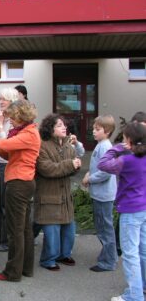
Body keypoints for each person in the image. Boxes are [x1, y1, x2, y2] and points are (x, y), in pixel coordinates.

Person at [0, 100, 41, 282]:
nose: (10, 120)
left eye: (12, 117)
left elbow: (4, 145)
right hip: (24, 181)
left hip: (18, 183)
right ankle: (26, 268)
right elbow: (7, 152)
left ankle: (12, 272)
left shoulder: (29, 133)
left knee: (15, 230)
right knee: (25, 229)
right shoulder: (26, 133)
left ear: (21, 115)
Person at [98, 122, 146, 301]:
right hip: (144, 208)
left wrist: (116, 148)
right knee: (143, 250)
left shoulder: (125, 161)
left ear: (129, 140)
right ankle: (142, 288)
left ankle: (134, 296)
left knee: (130, 253)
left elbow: (103, 164)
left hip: (130, 211)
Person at [34, 114, 82, 272]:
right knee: (52, 232)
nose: (64, 127)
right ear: (50, 129)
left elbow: (72, 168)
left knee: (69, 231)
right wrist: (70, 164)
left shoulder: (68, 146)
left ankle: (64, 254)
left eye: (64, 125)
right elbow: (47, 169)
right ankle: (48, 260)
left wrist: (76, 166)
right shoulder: (42, 146)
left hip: (65, 196)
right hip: (48, 196)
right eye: (59, 125)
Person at [82, 115, 118, 272]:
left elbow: (105, 172)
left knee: (105, 228)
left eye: (98, 129)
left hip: (104, 195)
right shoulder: (100, 145)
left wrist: (90, 179)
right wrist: (88, 174)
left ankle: (109, 261)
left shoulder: (105, 147)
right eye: (93, 129)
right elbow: (96, 167)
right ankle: (108, 255)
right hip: (100, 194)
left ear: (108, 131)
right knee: (102, 226)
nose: (94, 132)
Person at [0, 88, 19, 252]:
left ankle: (8, 240)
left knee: (6, 205)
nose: (1, 102)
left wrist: (1, 124)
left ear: (12, 102)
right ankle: (1, 236)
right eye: (0, 98)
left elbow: (6, 144)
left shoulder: (14, 122)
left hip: (7, 164)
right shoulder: (3, 119)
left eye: (4, 99)